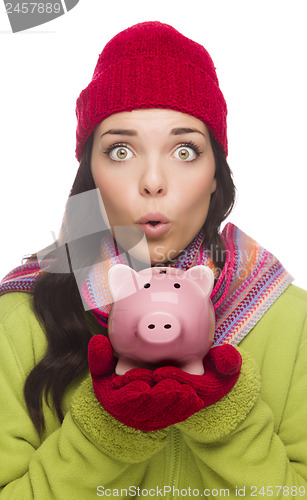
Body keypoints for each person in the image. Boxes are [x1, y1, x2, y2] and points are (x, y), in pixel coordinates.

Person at [0, 20, 307, 499]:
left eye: (185, 150)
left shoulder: (293, 319)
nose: (153, 181)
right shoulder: (19, 318)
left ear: (215, 175)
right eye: (120, 150)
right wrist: (109, 429)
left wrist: (225, 414)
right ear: (90, 174)